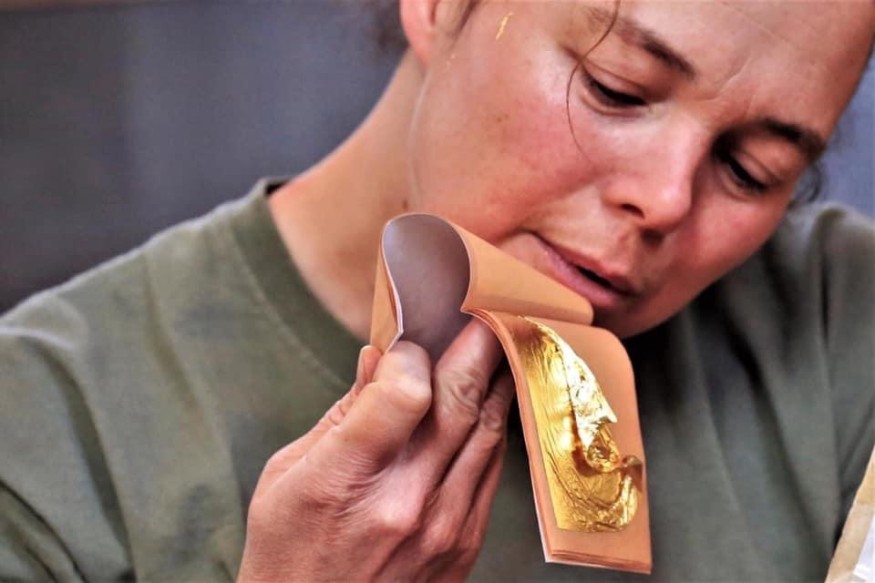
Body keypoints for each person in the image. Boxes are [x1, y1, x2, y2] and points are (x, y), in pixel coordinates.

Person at [1, 0, 873, 580]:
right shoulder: (44, 433)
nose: (666, 198)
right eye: (616, 89)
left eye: (751, 170)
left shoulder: (839, 320)